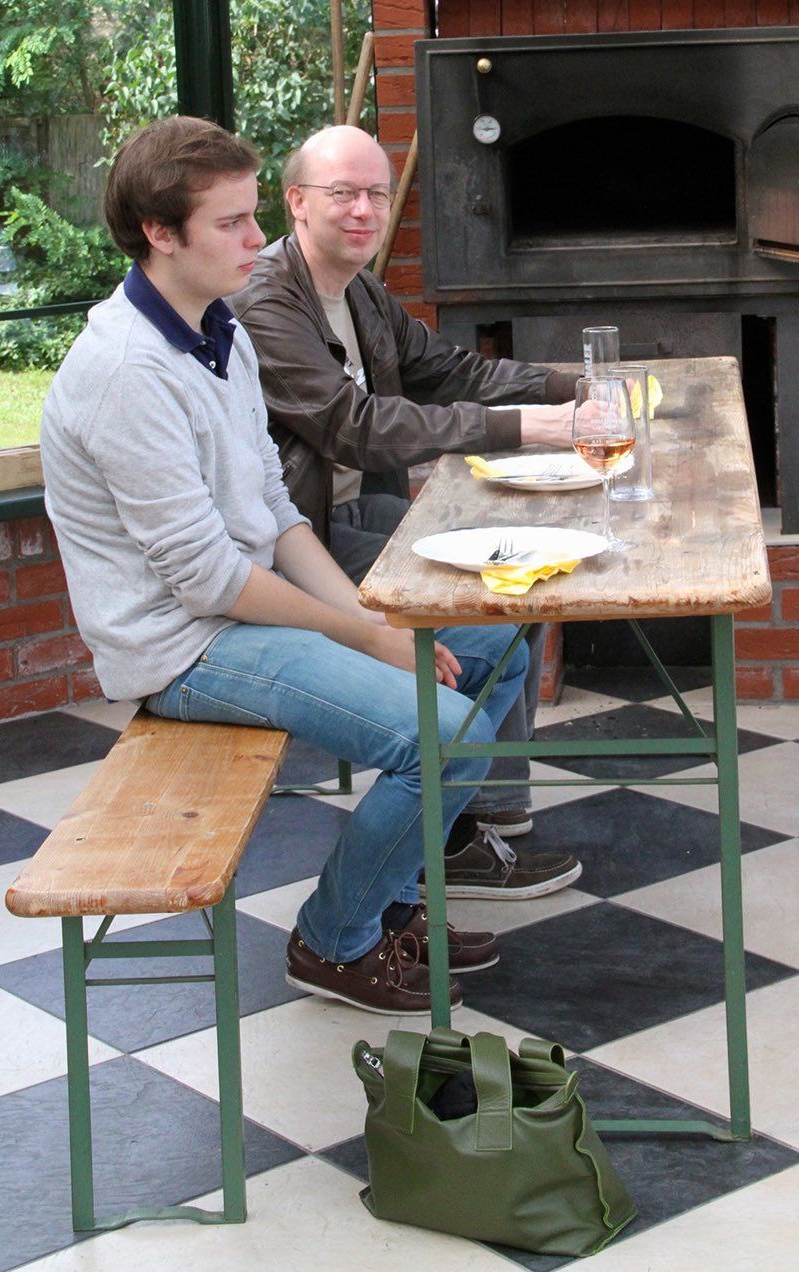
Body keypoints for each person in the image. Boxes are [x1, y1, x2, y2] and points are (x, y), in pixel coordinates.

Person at [40, 115, 532, 1015]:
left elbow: (274, 509)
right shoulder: (124, 371)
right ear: (160, 233)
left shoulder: (219, 330)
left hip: (245, 607)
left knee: (492, 648)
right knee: (447, 735)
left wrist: (371, 622)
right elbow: (209, 580)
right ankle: (336, 941)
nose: (256, 238)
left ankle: (392, 902)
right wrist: (364, 635)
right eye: (230, 222)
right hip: (185, 646)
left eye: (253, 214)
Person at [232, 123, 583, 894]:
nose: (364, 210)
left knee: (518, 566)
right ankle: (457, 833)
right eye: (344, 193)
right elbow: (353, 428)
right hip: (302, 543)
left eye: (377, 194)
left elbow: (447, 368)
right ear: (296, 202)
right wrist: (527, 426)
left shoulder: (357, 290)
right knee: (491, 615)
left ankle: (490, 805)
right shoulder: (266, 303)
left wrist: (571, 387)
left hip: (359, 516)